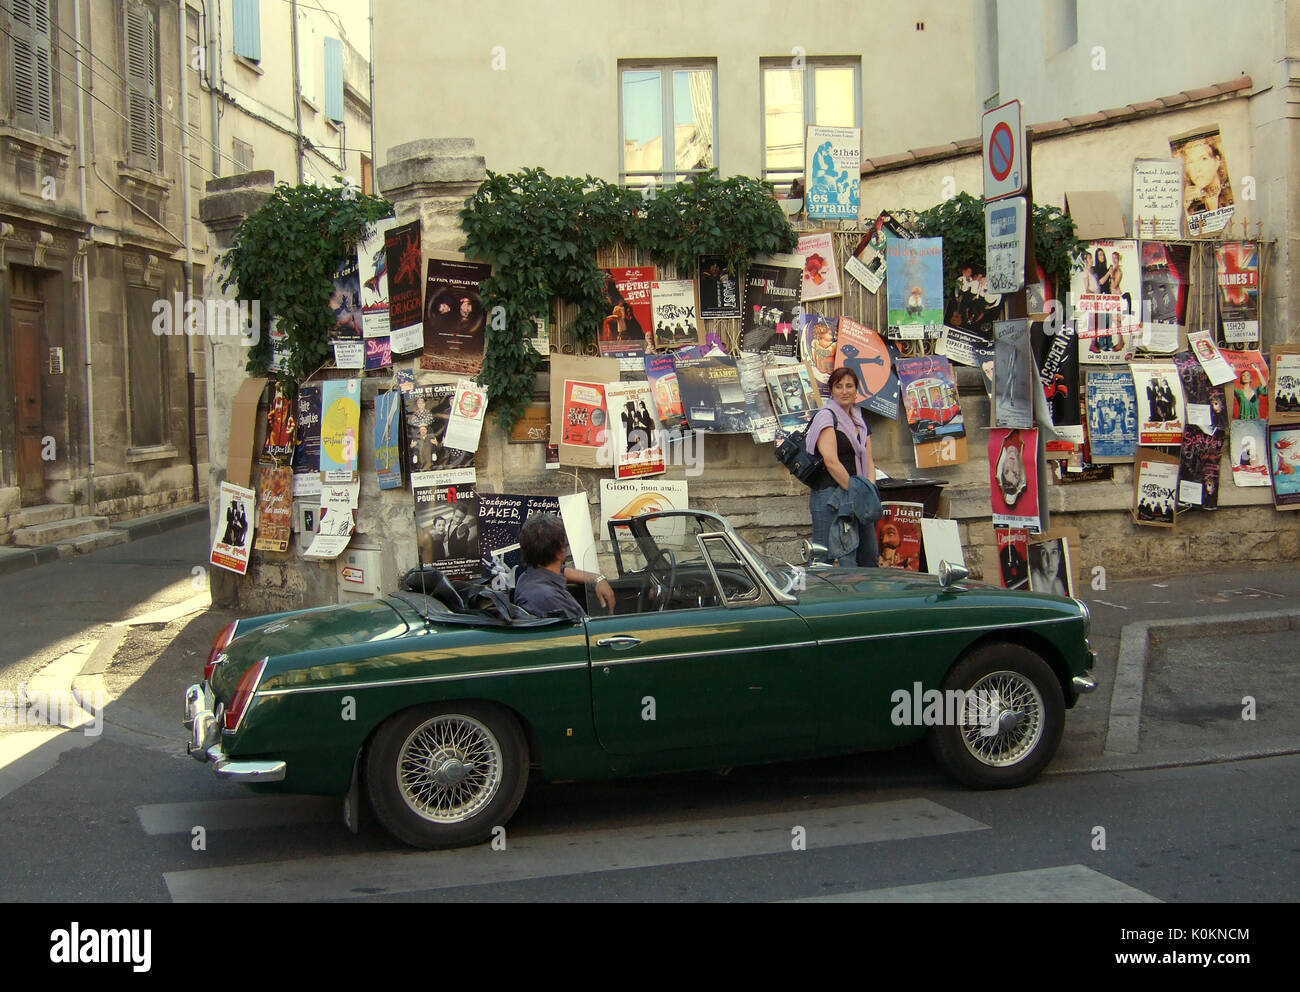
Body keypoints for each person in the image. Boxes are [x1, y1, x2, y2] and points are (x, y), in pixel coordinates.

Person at [806, 367, 878, 567]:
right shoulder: (826, 417)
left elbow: (870, 460)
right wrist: (857, 491)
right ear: (832, 390)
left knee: (868, 556)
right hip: (829, 496)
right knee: (824, 559)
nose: (844, 391)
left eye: (849, 386)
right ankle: (816, 595)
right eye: (839, 386)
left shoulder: (860, 420)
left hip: (858, 496)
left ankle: (867, 596)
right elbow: (831, 461)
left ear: (856, 390)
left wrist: (868, 491)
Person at [512, 513, 615, 619]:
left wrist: (598, 579)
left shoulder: (527, 578)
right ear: (561, 550)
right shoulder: (551, 598)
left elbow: (562, 571)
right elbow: (584, 629)